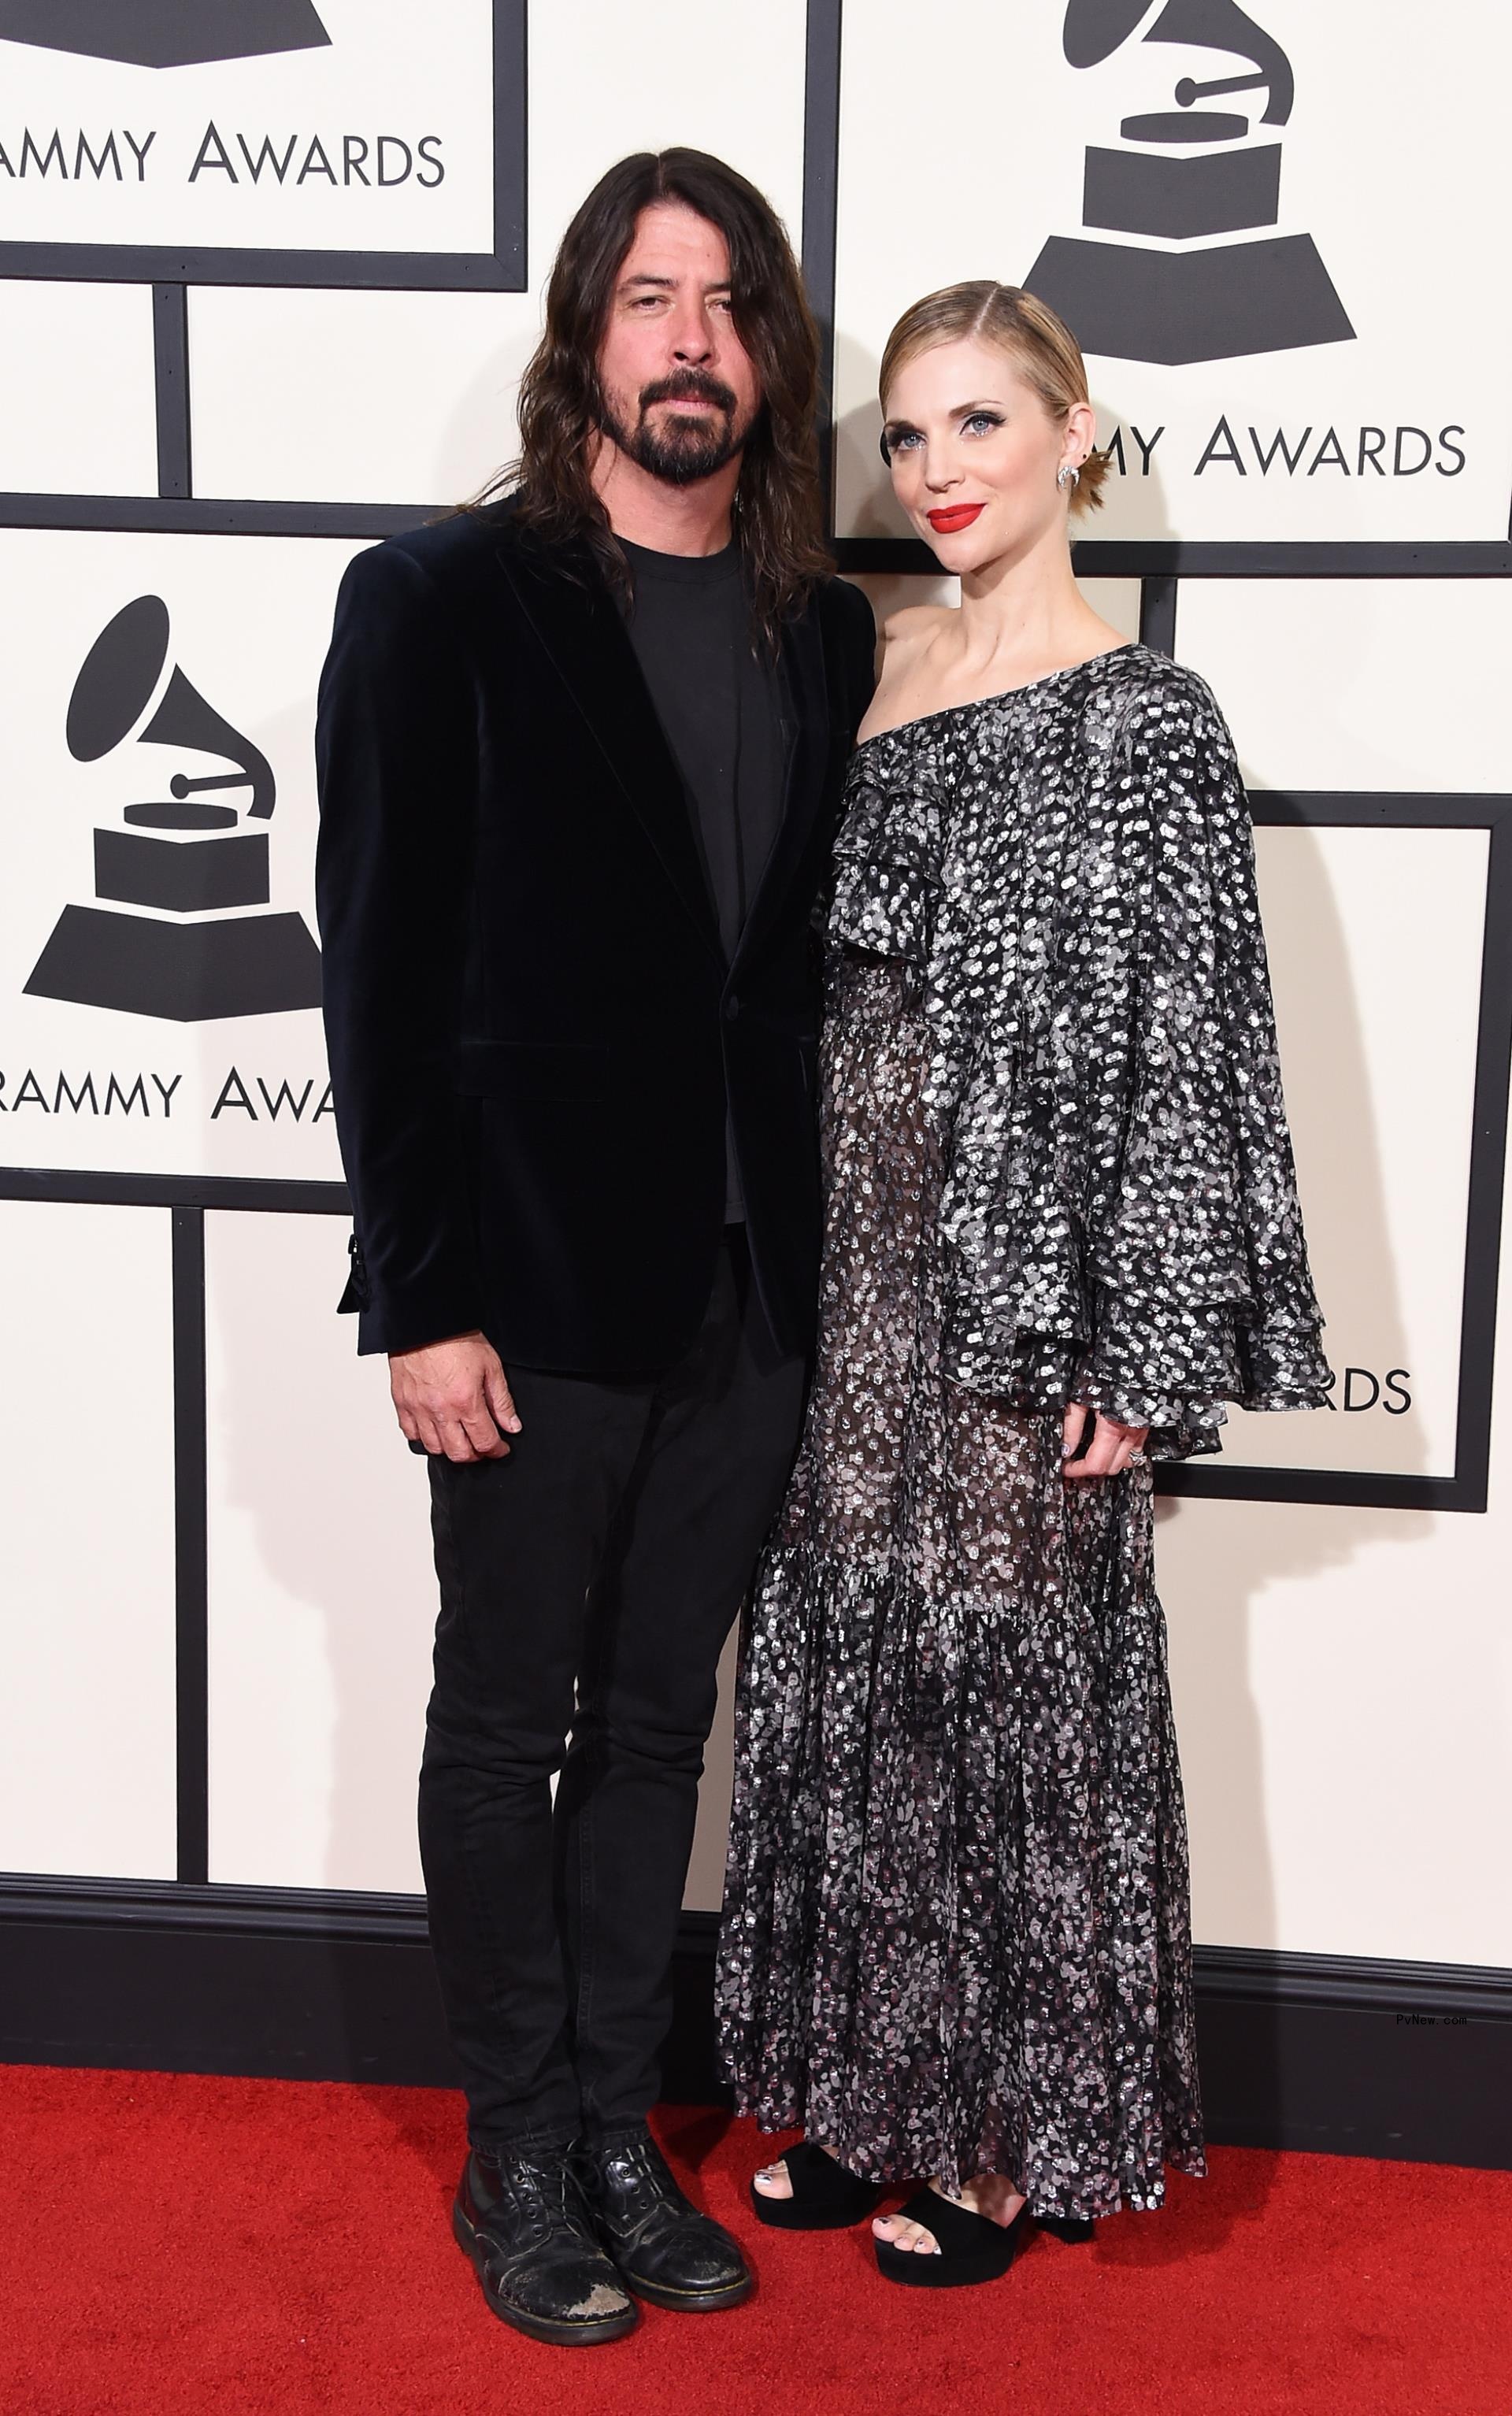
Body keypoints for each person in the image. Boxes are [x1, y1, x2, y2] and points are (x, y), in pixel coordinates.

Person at [314, 149, 876, 2347]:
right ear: (584, 335)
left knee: (661, 1725)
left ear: (768, 356)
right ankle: (514, 2141)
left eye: (729, 306)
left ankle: (624, 2128)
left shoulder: (817, 620)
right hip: (529, 1291)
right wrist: (421, 1285)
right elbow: (380, 971)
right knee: (502, 1717)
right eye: (651, 299)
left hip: (755, 1292)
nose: (691, 342)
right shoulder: (442, 598)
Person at [716, 280, 1331, 2286]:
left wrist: (1147, 1350)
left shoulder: (1151, 716)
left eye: (981, 425)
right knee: (850, 1675)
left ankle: (1015, 2142)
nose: (941, 472)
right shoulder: (872, 665)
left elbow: (1198, 1046)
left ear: (1075, 435)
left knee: (1011, 1696)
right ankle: (873, 2087)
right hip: (848, 1275)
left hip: (1029, 1291)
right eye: (909, 436)